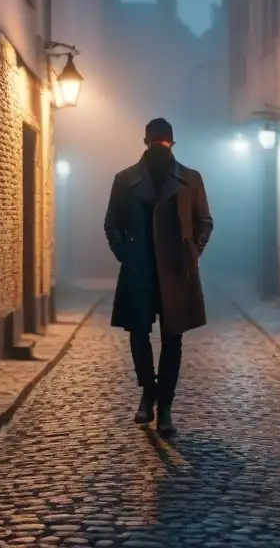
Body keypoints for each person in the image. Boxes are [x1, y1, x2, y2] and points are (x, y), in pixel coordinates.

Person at [103, 118, 214, 436]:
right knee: (138, 334)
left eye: (165, 144)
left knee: (173, 338)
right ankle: (147, 392)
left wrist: (191, 251)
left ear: (173, 145)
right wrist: (126, 254)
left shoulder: (190, 179)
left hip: (177, 271)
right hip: (139, 269)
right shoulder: (125, 180)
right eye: (156, 144)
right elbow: (111, 223)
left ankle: (164, 405)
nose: (160, 149)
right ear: (146, 143)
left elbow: (204, 221)